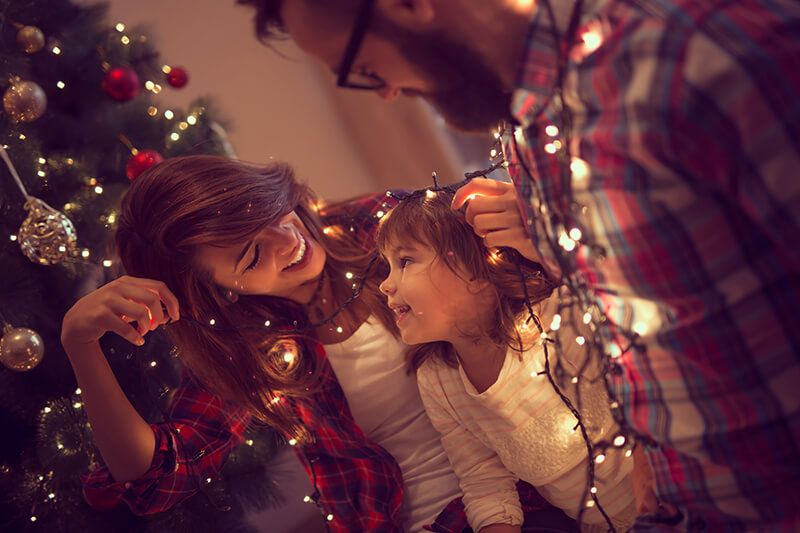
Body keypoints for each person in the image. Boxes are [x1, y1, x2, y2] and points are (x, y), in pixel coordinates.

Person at [235, 0, 800, 529]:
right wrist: (654, 449)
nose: (384, 94)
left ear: (409, 5)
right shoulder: (530, 135)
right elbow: (638, 323)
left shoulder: (693, 60)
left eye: (363, 68)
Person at [61, 154, 573, 533]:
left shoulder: (390, 226)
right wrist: (80, 345)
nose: (288, 239)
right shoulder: (249, 346)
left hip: (550, 479)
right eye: (250, 255)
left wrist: (535, 230)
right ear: (219, 293)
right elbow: (155, 478)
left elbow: (559, 291)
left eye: (268, 211)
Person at [376, 183, 638, 533]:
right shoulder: (440, 379)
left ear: (478, 271)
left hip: (674, 492)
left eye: (405, 261)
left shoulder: (558, 321)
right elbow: (483, 481)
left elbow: (623, 295)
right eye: (388, 266)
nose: (385, 285)